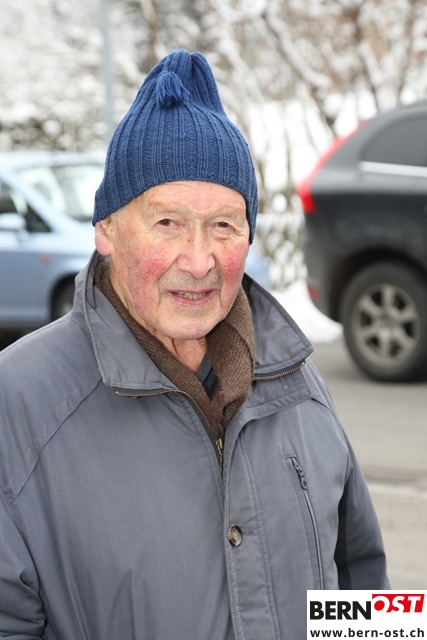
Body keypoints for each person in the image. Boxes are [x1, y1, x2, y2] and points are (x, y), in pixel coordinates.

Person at [0, 49, 389, 640]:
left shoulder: (297, 380)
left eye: (224, 225)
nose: (200, 260)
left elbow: (363, 593)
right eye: (168, 223)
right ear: (106, 231)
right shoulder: (20, 401)